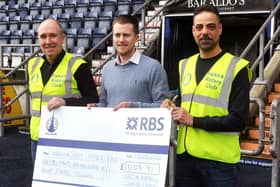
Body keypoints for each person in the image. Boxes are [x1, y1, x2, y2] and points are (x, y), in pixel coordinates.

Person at [161, 5, 252, 187]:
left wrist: (193, 120)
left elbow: (239, 120)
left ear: (219, 29)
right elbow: (188, 104)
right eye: (199, 27)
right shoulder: (184, 65)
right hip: (186, 158)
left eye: (210, 27)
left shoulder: (237, 67)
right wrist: (171, 105)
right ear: (193, 31)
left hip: (219, 163)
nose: (205, 32)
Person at [28, 18, 99, 163]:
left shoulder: (78, 65)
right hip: (37, 137)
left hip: (66, 138)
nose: (48, 41)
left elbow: (93, 100)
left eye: (53, 35)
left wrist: (66, 102)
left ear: (62, 38)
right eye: (43, 36)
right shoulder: (32, 65)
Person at [90, 15, 169, 109]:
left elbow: (163, 107)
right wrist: (95, 107)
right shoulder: (107, 68)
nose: (121, 40)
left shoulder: (154, 67)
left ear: (136, 37)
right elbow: (104, 103)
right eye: (117, 35)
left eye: (126, 35)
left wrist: (133, 106)